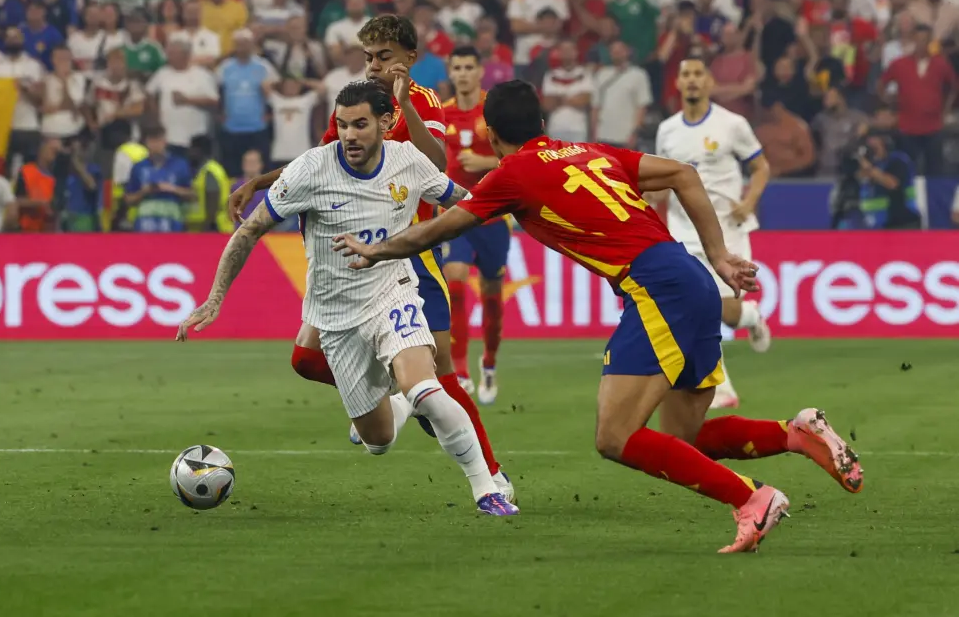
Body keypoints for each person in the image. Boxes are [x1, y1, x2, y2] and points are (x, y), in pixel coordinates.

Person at [333, 80, 865, 553]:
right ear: (542, 124)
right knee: (686, 437)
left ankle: (753, 499)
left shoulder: (511, 173)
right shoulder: (586, 151)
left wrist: (379, 250)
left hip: (656, 290)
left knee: (615, 436)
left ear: (492, 135)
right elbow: (682, 173)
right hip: (694, 280)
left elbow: (441, 228)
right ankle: (796, 434)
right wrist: (720, 257)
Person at [176, 81, 518, 517]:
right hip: (336, 321)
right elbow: (250, 230)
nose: (350, 135)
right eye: (342, 125)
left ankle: (487, 489)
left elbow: (464, 201)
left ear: (385, 123)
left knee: (428, 390)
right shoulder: (310, 171)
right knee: (379, 441)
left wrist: (519, 198)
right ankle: (396, 404)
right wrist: (213, 300)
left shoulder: (406, 161)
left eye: (360, 124)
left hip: (394, 293)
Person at [654, 56, 772, 410]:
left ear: (708, 82)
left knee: (725, 309)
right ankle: (721, 386)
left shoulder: (732, 124)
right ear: (678, 83)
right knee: (696, 305)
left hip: (726, 230)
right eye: (685, 74)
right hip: (683, 230)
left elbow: (760, 165)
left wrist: (749, 200)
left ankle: (750, 317)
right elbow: (661, 178)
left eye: (697, 74)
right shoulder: (667, 130)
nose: (691, 80)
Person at [441, 46, 509, 404]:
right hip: (457, 214)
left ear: (480, 71)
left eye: (469, 66)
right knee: (454, 280)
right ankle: (461, 371)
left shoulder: (494, 111)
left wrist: (484, 158)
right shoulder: (444, 112)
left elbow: (514, 158)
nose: (464, 73)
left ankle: (490, 363)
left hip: (494, 217)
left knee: (492, 298)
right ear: (451, 73)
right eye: (458, 67)